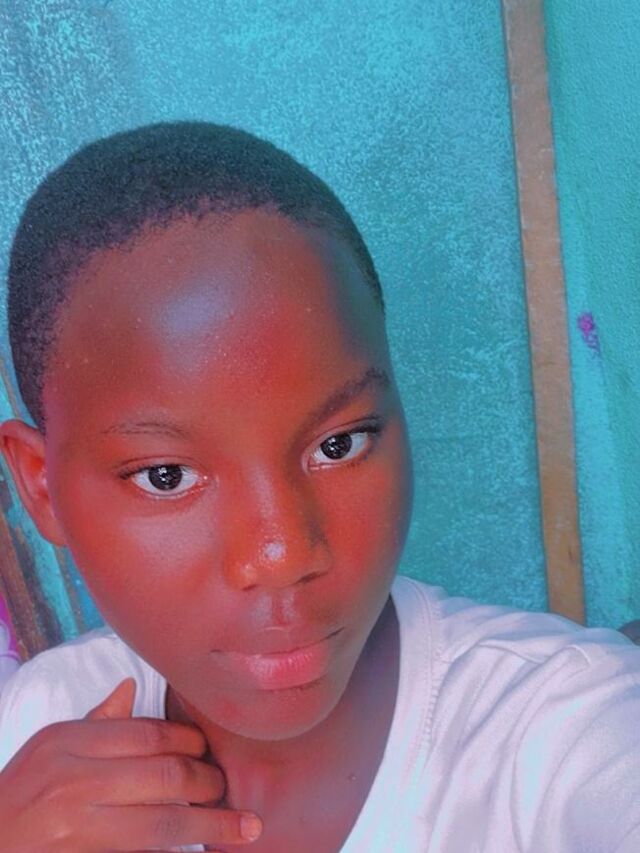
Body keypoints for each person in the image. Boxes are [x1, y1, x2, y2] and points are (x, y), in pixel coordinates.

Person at [0, 122, 638, 853]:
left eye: (339, 444)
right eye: (165, 476)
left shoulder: (566, 730)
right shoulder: (30, 728)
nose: (281, 554)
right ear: (42, 487)